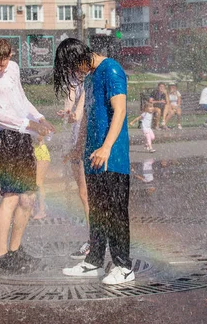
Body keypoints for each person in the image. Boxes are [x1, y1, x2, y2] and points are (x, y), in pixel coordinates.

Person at [54, 38, 134, 285]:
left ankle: (124, 266)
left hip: (113, 156)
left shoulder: (111, 69)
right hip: (92, 156)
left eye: (71, 68)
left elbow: (119, 111)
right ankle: (94, 261)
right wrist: (78, 148)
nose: (73, 74)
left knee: (116, 213)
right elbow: (87, 115)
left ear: (80, 58)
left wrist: (107, 147)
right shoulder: (90, 78)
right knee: (98, 211)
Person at [0, 39, 55, 271]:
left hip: (23, 134)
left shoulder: (14, 68)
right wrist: (29, 123)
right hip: (6, 137)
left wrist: (39, 117)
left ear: (10, 56)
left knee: (28, 196)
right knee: (10, 196)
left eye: (2, 64)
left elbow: (20, 99)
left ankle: (15, 250)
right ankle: (0, 256)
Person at [57, 82, 92, 260]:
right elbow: (71, 108)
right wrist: (67, 113)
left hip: (86, 140)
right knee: (83, 193)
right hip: (75, 140)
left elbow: (79, 113)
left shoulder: (90, 79)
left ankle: (95, 240)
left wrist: (73, 115)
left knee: (88, 194)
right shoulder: (72, 80)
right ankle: (94, 237)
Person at [32, 136, 50, 220]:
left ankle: (42, 210)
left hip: (40, 154)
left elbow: (39, 137)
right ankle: (33, 208)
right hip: (35, 153)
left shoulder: (35, 124)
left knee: (38, 183)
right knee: (32, 183)